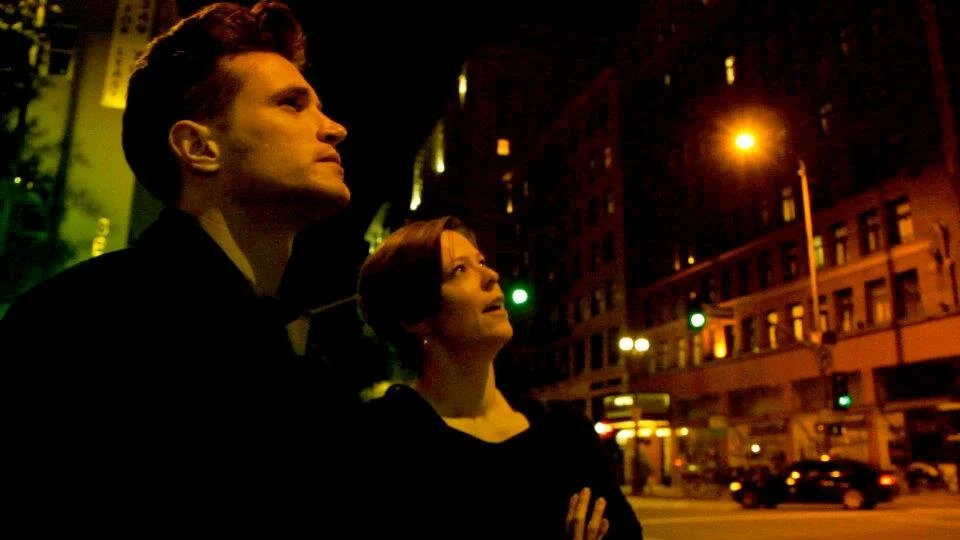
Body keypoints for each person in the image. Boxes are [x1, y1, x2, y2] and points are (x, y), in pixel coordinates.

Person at [1, 1, 357, 532]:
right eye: (291, 104)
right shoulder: (77, 327)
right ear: (198, 147)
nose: (335, 129)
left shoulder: (304, 363)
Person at [356, 216, 643, 539]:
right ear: (414, 317)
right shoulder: (382, 440)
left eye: (481, 262)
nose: (490, 276)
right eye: (459, 270)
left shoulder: (566, 435)